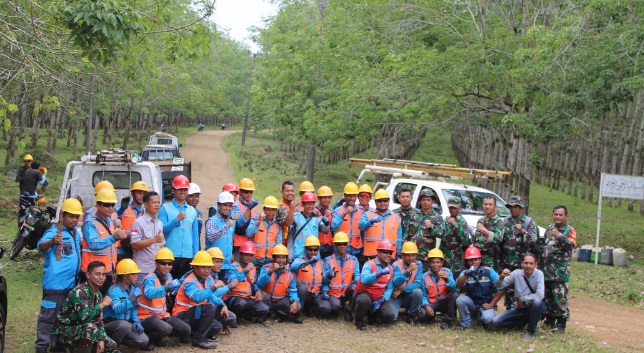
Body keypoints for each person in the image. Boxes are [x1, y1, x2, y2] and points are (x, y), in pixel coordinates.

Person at [35, 198, 83, 353]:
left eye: (77, 217)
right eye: (71, 216)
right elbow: (40, 247)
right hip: (55, 285)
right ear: (63, 216)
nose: (74, 220)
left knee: (63, 317)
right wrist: (52, 242)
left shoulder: (75, 234)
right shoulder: (54, 232)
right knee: (48, 318)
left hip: (69, 285)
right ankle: (41, 346)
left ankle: (56, 345)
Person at [54, 261, 119, 353]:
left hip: (86, 330)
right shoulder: (80, 292)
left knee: (112, 345)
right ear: (88, 275)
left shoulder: (99, 294)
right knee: (91, 328)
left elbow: (99, 320)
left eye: (103, 275)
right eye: (97, 274)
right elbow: (85, 318)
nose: (101, 278)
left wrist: (101, 338)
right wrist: (103, 304)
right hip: (66, 331)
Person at [138, 247, 190, 348]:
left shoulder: (169, 277)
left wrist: (172, 290)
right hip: (146, 316)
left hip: (162, 315)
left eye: (169, 264)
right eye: (163, 263)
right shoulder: (150, 278)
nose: (167, 266)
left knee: (186, 330)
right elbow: (149, 293)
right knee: (166, 329)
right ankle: (147, 339)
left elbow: (166, 296)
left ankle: (157, 337)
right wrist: (167, 287)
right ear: (156, 264)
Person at [172, 251, 223, 349]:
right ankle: (199, 339)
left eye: (208, 267)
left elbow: (209, 296)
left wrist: (222, 304)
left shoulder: (202, 280)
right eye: (203, 267)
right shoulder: (190, 282)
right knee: (210, 307)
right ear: (195, 267)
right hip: (182, 315)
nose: (207, 271)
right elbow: (197, 297)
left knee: (217, 327)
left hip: (194, 314)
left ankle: (191, 334)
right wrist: (214, 287)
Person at [81, 188, 127, 295]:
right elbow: (93, 243)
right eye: (107, 205)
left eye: (112, 205)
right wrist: (114, 237)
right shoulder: (90, 223)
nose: (110, 208)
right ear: (98, 205)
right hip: (92, 272)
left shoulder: (109, 221)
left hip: (107, 271)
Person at [490, 254, 546, 340]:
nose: (528, 266)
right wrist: (501, 276)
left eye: (531, 263)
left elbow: (540, 295)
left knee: (537, 302)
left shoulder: (539, 274)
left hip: (534, 308)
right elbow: (499, 286)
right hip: (519, 308)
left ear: (536, 265)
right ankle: (522, 323)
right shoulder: (516, 273)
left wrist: (523, 299)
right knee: (495, 322)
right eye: (526, 263)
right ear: (522, 264)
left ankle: (531, 331)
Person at [158, 175, 199, 279]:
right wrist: (176, 220)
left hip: (187, 255)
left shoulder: (192, 210)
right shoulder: (165, 208)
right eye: (179, 189)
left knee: (184, 286)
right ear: (173, 190)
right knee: (169, 285)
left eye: (185, 189)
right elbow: (161, 230)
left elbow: (195, 236)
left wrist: (195, 256)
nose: (182, 192)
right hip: (169, 255)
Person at [500, 195, 538, 309]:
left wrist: (522, 231)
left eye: (516, 207)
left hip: (523, 264)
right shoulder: (505, 221)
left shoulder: (528, 222)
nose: (513, 209)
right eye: (511, 207)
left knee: (522, 289)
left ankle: (522, 313)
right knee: (509, 289)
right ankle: (509, 311)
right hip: (508, 262)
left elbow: (532, 240)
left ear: (522, 208)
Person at [103, 259, 150, 350]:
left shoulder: (132, 288)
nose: (137, 276)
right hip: (110, 323)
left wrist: (136, 321)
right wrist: (131, 298)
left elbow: (134, 308)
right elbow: (118, 309)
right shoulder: (113, 290)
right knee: (123, 325)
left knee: (143, 340)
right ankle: (112, 348)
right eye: (133, 274)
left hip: (125, 324)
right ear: (125, 276)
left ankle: (118, 340)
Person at [542, 205, 575, 333]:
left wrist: (559, 236)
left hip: (560, 272)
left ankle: (561, 324)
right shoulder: (549, 228)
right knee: (548, 297)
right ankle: (549, 321)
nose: (558, 217)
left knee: (560, 298)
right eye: (556, 214)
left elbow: (570, 246)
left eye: (561, 215)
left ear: (566, 216)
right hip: (547, 270)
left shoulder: (570, 230)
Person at [352, 240, 396, 330]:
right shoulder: (369, 264)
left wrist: (381, 300)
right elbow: (364, 280)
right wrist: (378, 274)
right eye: (385, 252)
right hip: (364, 294)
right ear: (378, 252)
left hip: (377, 298)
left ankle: (371, 315)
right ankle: (359, 320)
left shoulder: (391, 269)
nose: (388, 255)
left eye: (390, 253)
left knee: (390, 315)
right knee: (364, 300)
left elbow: (390, 288)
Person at [454, 246, 500, 330]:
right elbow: (458, 284)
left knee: (488, 320)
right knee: (460, 299)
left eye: (475, 259)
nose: (473, 262)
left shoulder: (489, 271)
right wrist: (466, 274)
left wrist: (492, 304)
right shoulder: (465, 273)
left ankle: (479, 317)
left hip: (486, 304)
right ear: (467, 261)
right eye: (470, 260)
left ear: (480, 259)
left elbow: (501, 288)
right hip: (473, 303)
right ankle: (466, 323)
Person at [223, 241, 270, 323]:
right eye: (246, 255)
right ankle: (234, 317)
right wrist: (245, 271)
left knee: (264, 309)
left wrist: (257, 290)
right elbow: (232, 281)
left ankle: (242, 316)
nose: (249, 257)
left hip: (247, 297)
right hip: (234, 297)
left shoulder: (253, 268)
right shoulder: (234, 266)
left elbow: (254, 283)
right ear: (241, 255)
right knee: (241, 304)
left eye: (251, 255)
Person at [257, 244, 302, 323]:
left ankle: (280, 314)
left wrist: (295, 301)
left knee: (297, 306)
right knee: (261, 294)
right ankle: (264, 314)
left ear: (286, 259)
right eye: (278, 257)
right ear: (274, 258)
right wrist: (270, 271)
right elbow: (259, 284)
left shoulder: (290, 273)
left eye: (283, 257)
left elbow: (293, 291)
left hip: (280, 301)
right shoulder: (266, 268)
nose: (281, 260)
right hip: (266, 299)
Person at [322, 232, 360, 321]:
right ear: (334, 245)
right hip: (333, 293)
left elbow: (357, 274)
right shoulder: (328, 260)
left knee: (357, 289)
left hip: (347, 291)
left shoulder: (353, 260)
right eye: (339, 244)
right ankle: (338, 305)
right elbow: (323, 281)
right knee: (335, 308)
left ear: (347, 245)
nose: (342, 246)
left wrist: (355, 283)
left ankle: (349, 311)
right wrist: (328, 276)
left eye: (344, 244)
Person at [291, 237, 331, 317]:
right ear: (305, 249)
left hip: (315, 294)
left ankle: (310, 309)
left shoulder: (321, 262)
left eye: (315, 250)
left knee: (327, 309)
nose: (313, 252)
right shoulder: (299, 260)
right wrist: (307, 262)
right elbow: (293, 267)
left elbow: (324, 281)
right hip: (303, 293)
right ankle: (299, 312)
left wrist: (325, 291)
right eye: (310, 249)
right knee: (302, 289)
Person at [418, 248, 458, 330]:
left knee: (455, 295)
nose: (435, 265)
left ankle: (447, 320)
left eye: (438, 262)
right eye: (432, 262)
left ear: (442, 263)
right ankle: (432, 317)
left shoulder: (448, 272)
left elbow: (453, 289)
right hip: (433, 302)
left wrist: (447, 279)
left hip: (445, 301)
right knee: (422, 314)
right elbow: (423, 295)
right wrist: (426, 305)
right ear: (429, 263)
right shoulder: (424, 277)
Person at [131, 191, 165, 284]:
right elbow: (134, 244)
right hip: (143, 270)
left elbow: (161, 246)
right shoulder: (138, 223)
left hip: (157, 270)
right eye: (154, 202)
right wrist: (154, 240)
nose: (157, 205)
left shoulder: (159, 223)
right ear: (145, 204)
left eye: (158, 202)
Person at [358, 189, 402, 260]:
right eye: (379, 201)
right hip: (372, 255)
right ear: (375, 202)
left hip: (389, 256)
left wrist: (398, 253)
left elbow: (399, 238)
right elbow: (361, 226)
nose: (383, 203)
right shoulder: (368, 215)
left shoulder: (396, 218)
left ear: (388, 201)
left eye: (385, 200)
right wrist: (370, 222)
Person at [408, 189, 445, 269]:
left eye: (428, 200)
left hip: (427, 256)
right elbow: (407, 234)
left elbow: (442, 233)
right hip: (412, 255)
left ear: (433, 202)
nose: (425, 202)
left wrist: (432, 227)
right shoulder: (413, 215)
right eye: (423, 200)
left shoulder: (437, 217)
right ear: (420, 201)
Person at [205, 247, 238, 337]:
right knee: (217, 327)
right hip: (203, 308)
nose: (220, 265)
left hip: (212, 307)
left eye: (221, 262)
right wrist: (229, 286)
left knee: (231, 317)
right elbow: (211, 295)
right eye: (217, 262)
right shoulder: (205, 275)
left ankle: (213, 324)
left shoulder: (214, 275)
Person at [389, 242, 423, 324]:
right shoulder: (396, 265)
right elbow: (396, 282)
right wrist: (407, 271)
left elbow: (418, 284)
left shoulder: (419, 264)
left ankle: (411, 314)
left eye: (413, 255)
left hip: (407, 294)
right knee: (391, 318)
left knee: (418, 292)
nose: (411, 258)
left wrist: (402, 291)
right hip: (395, 296)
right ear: (402, 255)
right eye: (408, 255)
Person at [287, 192, 328, 262]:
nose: (310, 206)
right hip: (298, 256)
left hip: (314, 256)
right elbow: (290, 235)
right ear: (303, 204)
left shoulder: (317, 218)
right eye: (308, 204)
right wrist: (290, 256)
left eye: (312, 204)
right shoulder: (296, 217)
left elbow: (325, 231)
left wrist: (326, 222)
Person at [205, 192, 240, 272]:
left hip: (227, 265)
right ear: (218, 205)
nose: (227, 208)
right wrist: (226, 226)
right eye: (224, 205)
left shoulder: (231, 222)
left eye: (230, 206)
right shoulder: (212, 221)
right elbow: (211, 237)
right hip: (213, 265)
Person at [246, 196, 283, 272]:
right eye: (268, 209)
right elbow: (248, 233)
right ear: (264, 209)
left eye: (273, 210)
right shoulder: (256, 219)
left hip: (270, 261)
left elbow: (278, 243)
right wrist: (259, 221)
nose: (270, 212)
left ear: (276, 211)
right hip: (255, 260)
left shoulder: (277, 224)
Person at [115, 181, 149, 261]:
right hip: (122, 251)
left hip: (138, 251)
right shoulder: (123, 208)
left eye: (144, 194)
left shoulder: (146, 212)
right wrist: (120, 211)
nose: (142, 196)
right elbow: (111, 221)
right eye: (139, 193)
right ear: (132, 194)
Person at [331, 182, 364, 259]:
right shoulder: (338, 211)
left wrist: (363, 249)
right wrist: (344, 213)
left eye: (354, 196)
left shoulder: (361, 211)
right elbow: (334, 227)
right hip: (340, 250)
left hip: (356, 250)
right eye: (349, 196)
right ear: (345, 196)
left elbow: (363, 232)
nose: (352, 198)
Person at [472, 196, 504, 271]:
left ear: (495, 206)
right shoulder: (481, 220)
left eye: (490, 204)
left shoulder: (499, 221)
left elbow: (499, 238)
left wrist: (484, 230)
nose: (487, 206)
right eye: (485, 204)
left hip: (491, 259)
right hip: (478, 258)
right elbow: (476, 239)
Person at [441, 196, 472, 274]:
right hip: (445, 257)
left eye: (455, 207)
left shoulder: (462, 222)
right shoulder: (446, 220)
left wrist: (455, 225)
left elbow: (466, 240)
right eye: (451, 207)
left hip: (456, 260)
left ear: (460, 207)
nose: (452, 210)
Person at [232, 178, 258, 259]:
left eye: (251, 192)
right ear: (240, 192)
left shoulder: (253, 206)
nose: (249, 194)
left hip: (249, 243)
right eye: (246, 191)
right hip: (238, 243)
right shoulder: (235, 205)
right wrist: (249, 209)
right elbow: (240, 223)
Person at [315, 186, 334, 259]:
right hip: (317, 246)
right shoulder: (315, 211)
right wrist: (325, 216)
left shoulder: (332, 212)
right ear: (319, 198)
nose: (327, 200)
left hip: (329, 245)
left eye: (329, 197)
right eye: (324, 197)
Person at [277, 180, 297, 246]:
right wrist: (293, 207)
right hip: (282, 243)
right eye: (287, 191)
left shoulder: (295, 206)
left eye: (292, 191)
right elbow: (287, 223)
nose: (290, 193)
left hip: (293, 242)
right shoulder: (280, 207)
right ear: (282, 192)